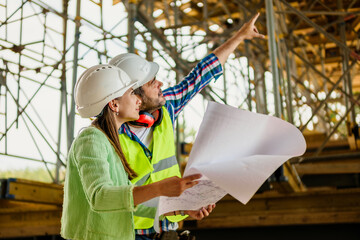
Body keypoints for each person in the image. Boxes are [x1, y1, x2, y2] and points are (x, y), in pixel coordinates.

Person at [109, 13, 265, 239]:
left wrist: (239, 37)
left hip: (168, 230)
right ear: (135, 96)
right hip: (130, 233)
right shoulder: (109, 137)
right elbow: (114, 199)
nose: (160, 83)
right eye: (152, 82)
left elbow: (199, 75)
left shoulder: (166, 108)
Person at [60, 64, 204, 240]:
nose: (138, 100)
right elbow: (100, 197)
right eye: (131, 93)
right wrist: (158, 188)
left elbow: (126, 203)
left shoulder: (110, 142)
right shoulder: (91, 139)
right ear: (114, 104)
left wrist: (181, 208)